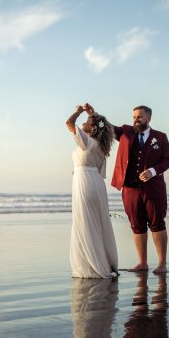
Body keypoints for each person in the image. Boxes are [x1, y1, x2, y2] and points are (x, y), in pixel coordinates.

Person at [85, 103, 169, 274]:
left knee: (157, 224)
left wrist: (152, 171)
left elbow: (167, 160)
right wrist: (94, 114)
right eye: (133, 117)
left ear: (148, 118)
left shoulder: (160, 137)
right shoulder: (125, 132)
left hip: (154, 190)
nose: (135, 120)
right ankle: (142, 263)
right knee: (137, 225)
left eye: (139, 117)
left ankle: (162, 264)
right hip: (130, 190)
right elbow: (106, 127)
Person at [65, 105, 119, 278]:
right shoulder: (101, 146)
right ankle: (101, 261)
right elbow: (105, 127)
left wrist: (80, 110)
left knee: (86, 223)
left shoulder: (87, 141)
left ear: (94, 128)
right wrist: (92, 114)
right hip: (96, 183)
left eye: (87, 122)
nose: (83, 123)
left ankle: (92, 265)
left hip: (84, 183)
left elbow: (68, 122)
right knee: (96, 223)